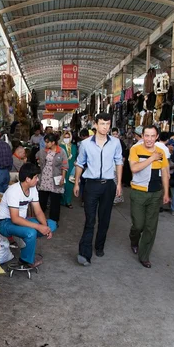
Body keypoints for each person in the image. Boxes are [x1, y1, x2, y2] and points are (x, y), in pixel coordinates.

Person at [73, 112, 123, 266]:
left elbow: (119, 162)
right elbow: (80, 163)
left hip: (108, 185)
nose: (105, 127)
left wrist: (119, 183)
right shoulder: (86, 144)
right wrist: (76, 182)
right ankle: (84, 253)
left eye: (107, 124)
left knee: (105, 218)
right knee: (90, 219)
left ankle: (99, 246)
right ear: (95, 124)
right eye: (102, 124)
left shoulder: (115, 143)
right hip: (91, 185)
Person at [0, 163, 57, 268]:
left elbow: (38, 211)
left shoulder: (32, 189)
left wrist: (45, 227)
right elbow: (15, 219)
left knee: (52, 224)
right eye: (35, 177)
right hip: (6, 223)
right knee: (31, 232)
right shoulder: (13, 191)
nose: (37, 180)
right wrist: (39, 227)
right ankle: (25, 260)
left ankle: (23, 238)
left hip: (22, 221)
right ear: (28, 179)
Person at [128, 125, 170, 268]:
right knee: (138, 225)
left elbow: (165, 172)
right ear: (142, 136)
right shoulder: (135, 149)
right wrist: (152, 158)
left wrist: (166, 193)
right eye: (147, 135)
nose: (149, 139)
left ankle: (144, 256)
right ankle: (134, 239)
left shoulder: (161, 152)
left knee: (150, 227)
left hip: (155, 194)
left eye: (153, 136)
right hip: (138, 193)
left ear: (157, 137)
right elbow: (134, 168)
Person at [37, 133, 69, 222]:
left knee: (55, 202)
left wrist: (62, 178)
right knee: (42, 200)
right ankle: (40, 220)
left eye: (47, 142)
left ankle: (53, 221)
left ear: (53, 142)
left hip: (56, 179)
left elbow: (65, 166)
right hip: (44, 179)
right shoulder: (43, 151)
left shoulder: (61, 152)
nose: (46, 144)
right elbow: (37, 158)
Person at [60, 131, 77, 209]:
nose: (66, 139)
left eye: (68, 137)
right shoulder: (60, 146)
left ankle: (68, 201)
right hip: (62, 168)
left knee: (70, 185)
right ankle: (62, 200)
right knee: (62, 184)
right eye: (65, 137)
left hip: (71, 168)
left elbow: (76, 156)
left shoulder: (74, 146)